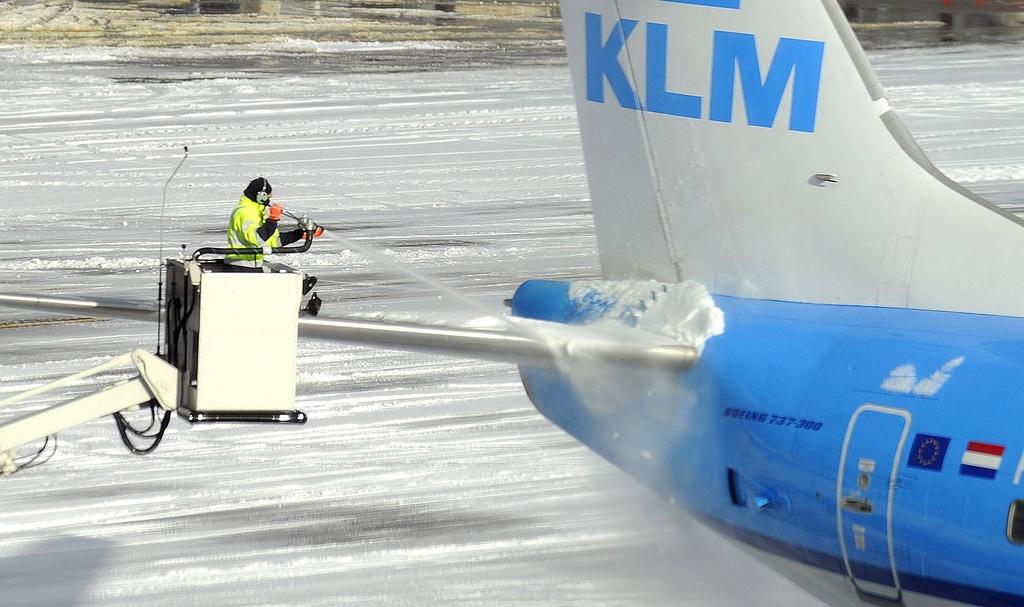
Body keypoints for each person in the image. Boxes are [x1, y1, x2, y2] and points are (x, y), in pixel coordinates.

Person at [225, 177, 324, 314]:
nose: (270, 200)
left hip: (251, 265)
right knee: (260, 304)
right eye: (268, 196)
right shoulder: (245, 213)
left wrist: (299, 234)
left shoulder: (256, 212)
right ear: (260, 196)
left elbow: (273, 241)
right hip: (242, 266)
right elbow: (258, 240)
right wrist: (272, 220)